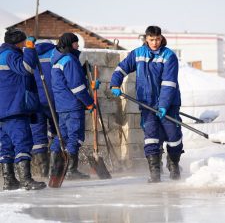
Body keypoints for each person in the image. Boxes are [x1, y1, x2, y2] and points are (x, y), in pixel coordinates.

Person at [110, 26, 183, 182]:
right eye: (151, 39)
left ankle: (174, 164)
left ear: (161, 38)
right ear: (146, 39)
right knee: (151, 137)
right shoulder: (137, 54)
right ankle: (154, 173)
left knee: (173, 136)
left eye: (157, 39)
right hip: (147, 103)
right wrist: (115, 84)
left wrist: (163, 105)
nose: (155, 43)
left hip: (169, 104)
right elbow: (121, 68)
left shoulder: (169, 56)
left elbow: (169, 83)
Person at [0, 28, 46, 190]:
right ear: (18, 42)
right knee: (23, 142)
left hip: (3, 110)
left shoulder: (1, 55)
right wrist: (31, 49)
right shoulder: (11, 55)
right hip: (14, 109)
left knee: (6, 146)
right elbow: (26, 68)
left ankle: (9, 180)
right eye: (22, 43)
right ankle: (26, 179)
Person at [50, 32, 97, 180]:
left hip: (62, 104)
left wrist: (83, 72)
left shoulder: (57, 59)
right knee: (75, 136)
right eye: (76, 43)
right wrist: (89, 103)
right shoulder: (69, 60)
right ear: (70, 44)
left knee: (62, 135)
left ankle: (54, 169)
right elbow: (76, 86)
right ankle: (71, 170)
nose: (78, 45)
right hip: (73, 104)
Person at [30, 40, 56, 177]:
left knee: (38, 135)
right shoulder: (55, 52)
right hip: (53, 99)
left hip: (35, 101)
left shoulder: (30, 54)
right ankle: (55, 167)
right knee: (57, 130)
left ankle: (43, 171)